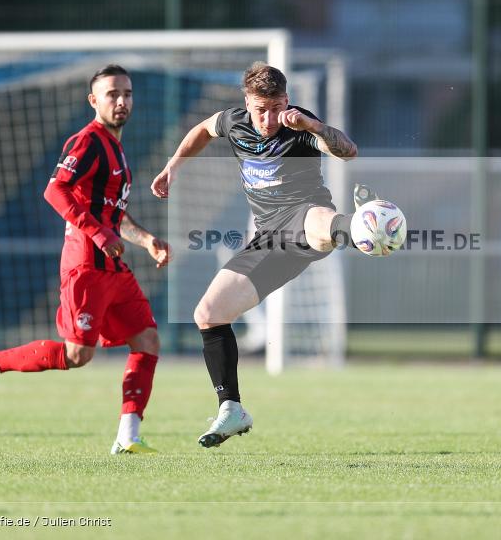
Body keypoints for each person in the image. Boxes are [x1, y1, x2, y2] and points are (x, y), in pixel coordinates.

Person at [0, 64, 172, 455]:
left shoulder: (116, 147)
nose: (121, 101)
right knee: (77, 355)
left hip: (112, 267)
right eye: (112, 94)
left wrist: (147, 239)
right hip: (85, 264)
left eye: (128, 94)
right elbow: (55, 191)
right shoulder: (88, 141)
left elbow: (112, 213)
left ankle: (128, 437)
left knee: (148, 340)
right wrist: (99, 233)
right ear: (93, 101)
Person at [151, 62, 374, 448]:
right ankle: (232, 409)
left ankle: (362, 229)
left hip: (305, 218)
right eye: (261, 109)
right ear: (246, 104)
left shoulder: (300, 126)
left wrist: (314, 127)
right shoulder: (233, 122)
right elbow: (202, 130)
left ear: (287, 100)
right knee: (208, 314)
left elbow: (348, 152)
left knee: (317, 219)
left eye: (278, 106)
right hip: (268, 240)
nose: (270, 118)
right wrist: (173, 167)